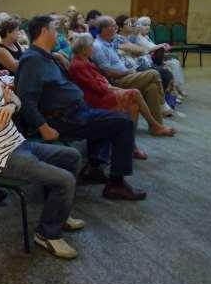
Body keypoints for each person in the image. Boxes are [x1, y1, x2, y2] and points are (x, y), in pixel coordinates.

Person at [0, 25, 85, 259]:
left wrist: (9, 104)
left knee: (72, 157)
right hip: (0, 158)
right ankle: (47, 234)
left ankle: (57, 212)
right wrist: (8, 104)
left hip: (16, 143)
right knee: (65, 180)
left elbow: (15, 101)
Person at [16, 15, 146, 201]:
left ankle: (93, 167)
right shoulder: (33, 60)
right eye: (55, 29)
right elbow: (26, 100)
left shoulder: (45, 57)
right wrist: (43, 128)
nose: (58, 34)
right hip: (63, 119)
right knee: (123, 123)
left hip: (74, 112)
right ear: (44, 32)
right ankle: (116, 185)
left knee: (112, 116)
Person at [69, 33, 175, 159]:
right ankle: (154, 126)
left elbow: (101, 80)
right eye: (91, 46)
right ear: (85, 48)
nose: (93, 48)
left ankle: (133, 144)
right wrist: (116, 89)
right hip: (97, 98)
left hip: (105, 90)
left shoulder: (85, 61)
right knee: (137, 90)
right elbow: (98, 86)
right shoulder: (78, 65)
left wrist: (114, 87)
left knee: (137, 102)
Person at [92, 16, 173, 123]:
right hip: (117, 81)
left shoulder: (109, 43)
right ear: (105, 29)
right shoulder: (98, 46)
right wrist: (128, 71)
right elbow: (107, 73)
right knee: (154, 73)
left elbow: (139, 51)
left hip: (126, 75)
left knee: (152, 87)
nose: (116, 28)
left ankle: (157, 125)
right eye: (113, 26)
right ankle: (163, 104)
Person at [114, 15, 174, 94]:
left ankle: (166, 97)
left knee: (165, 72)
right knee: (161, 73)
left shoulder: (127, 37)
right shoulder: (119, 38)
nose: (132, 25)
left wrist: (139, 50)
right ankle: (165, 98)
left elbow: (140, 51)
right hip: (132, 69)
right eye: (128, 24)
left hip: (136, 65)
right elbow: (141, 51)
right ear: (120, 27)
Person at [134, 16, 186, 97]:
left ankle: (178, 87)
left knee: (175, 62)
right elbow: (149, 49)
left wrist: (162, 47)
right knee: (171, 65)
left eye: (148, 25)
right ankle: (173, 91)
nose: (147, 27)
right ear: (138, 26)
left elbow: (155, 48)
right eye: (144, 25)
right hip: (149, 61)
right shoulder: (138, 38)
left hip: (154, 58)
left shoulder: (147, 37)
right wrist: (162, 45)